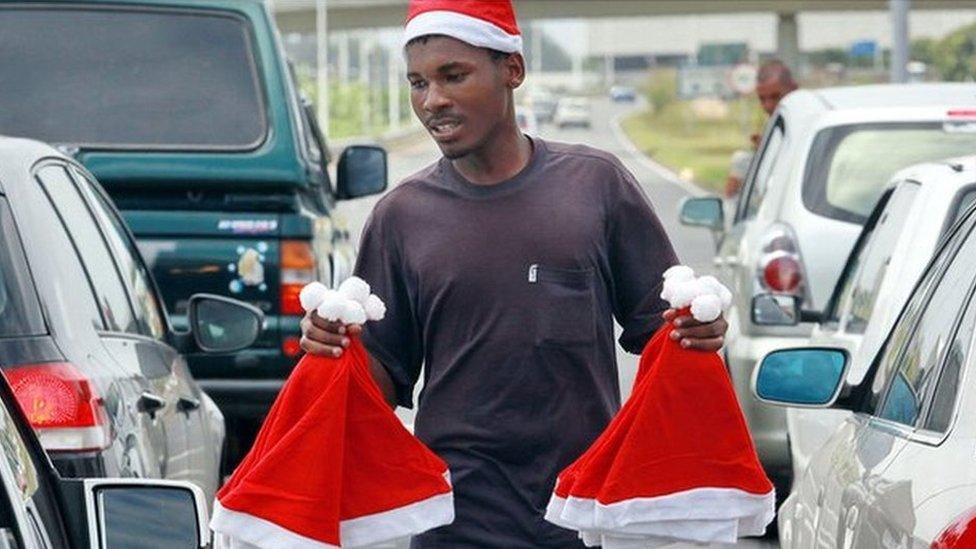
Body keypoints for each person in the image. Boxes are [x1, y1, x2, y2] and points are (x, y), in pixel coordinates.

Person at [301, 1, 728, 547]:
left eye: (454, 76)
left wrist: (702, 331)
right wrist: (334, 350)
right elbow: (381, 374)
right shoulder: (401, 217)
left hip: (580, 516)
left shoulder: (596, 186)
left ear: (513, 71)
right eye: (417, 83)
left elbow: (665, 333)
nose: (433, 102)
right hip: (455, 520)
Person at [724, 59, 798, 198]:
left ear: (794, 89)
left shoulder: (812, 123)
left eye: (776, 97)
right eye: (762, 99)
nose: (768, 106)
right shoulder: (774, 123)